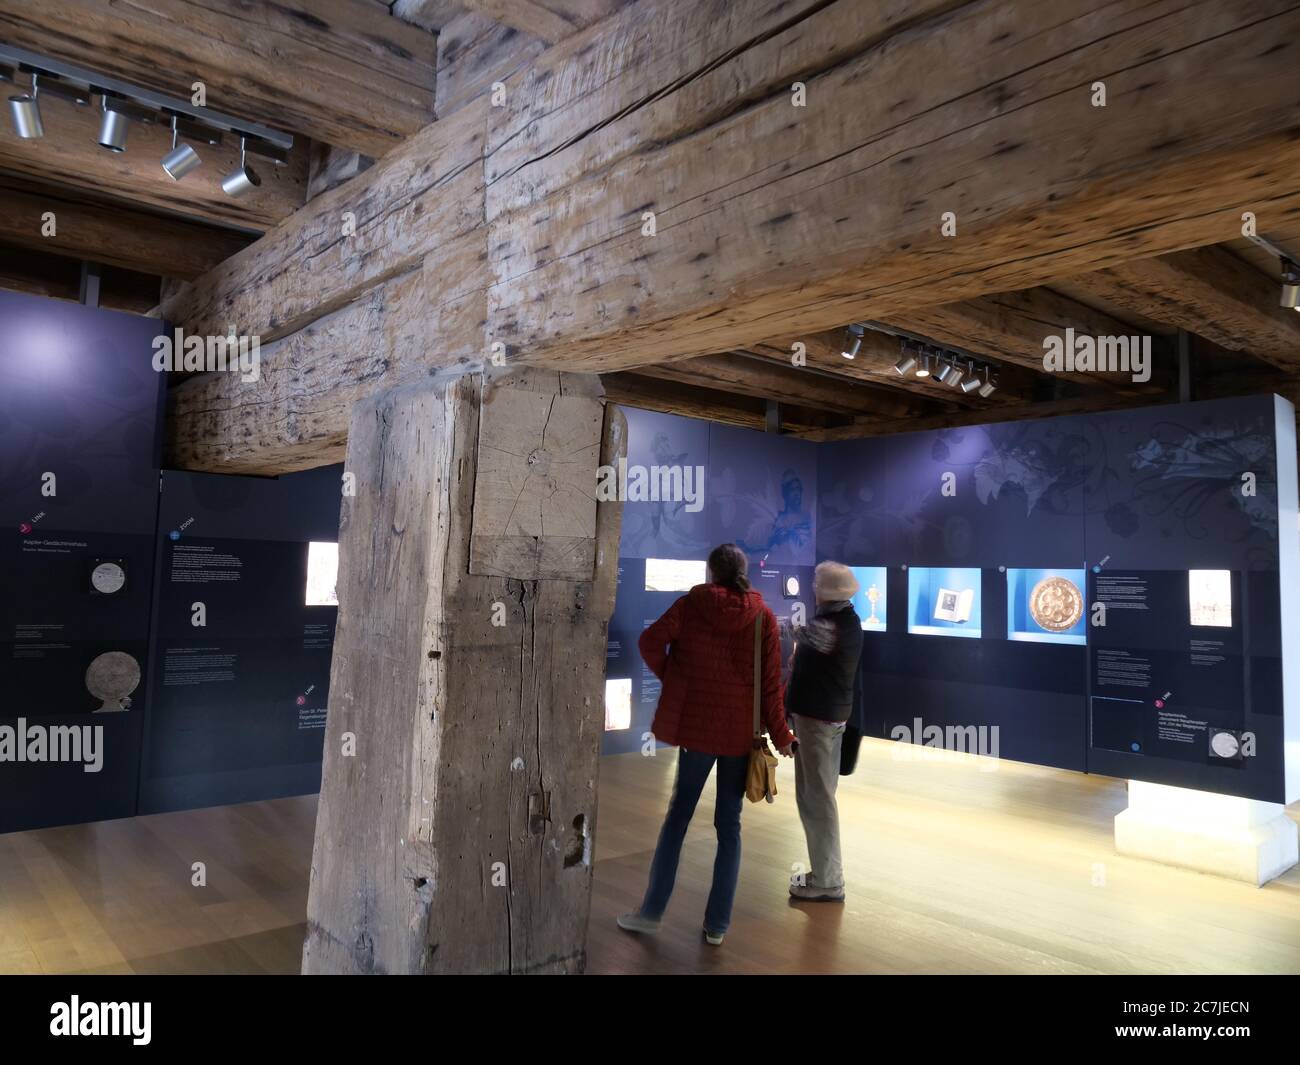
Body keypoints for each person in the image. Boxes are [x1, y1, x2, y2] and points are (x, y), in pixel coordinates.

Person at [618, 542, 795, 946]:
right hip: (738, 736)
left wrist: (678, 679)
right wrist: (782, 735)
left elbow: (649, 642)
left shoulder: (692, 605)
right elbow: (770, 688)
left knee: (678, 818)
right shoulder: (763, 617)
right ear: (744, 571)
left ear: (712, 572)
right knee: (729, 828)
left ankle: (651, 913)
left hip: (698, 731)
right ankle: (717, 926)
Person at [785, 561, 864, 903]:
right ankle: (824, 873)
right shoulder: (846, 620)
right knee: (819, 796)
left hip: (818, 721)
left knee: (817, 799)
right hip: (825, 718)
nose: (813, 589)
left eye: (817, 584)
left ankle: (828, 880)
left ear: (827, 590)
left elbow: (794, 632)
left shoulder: (830, 626)